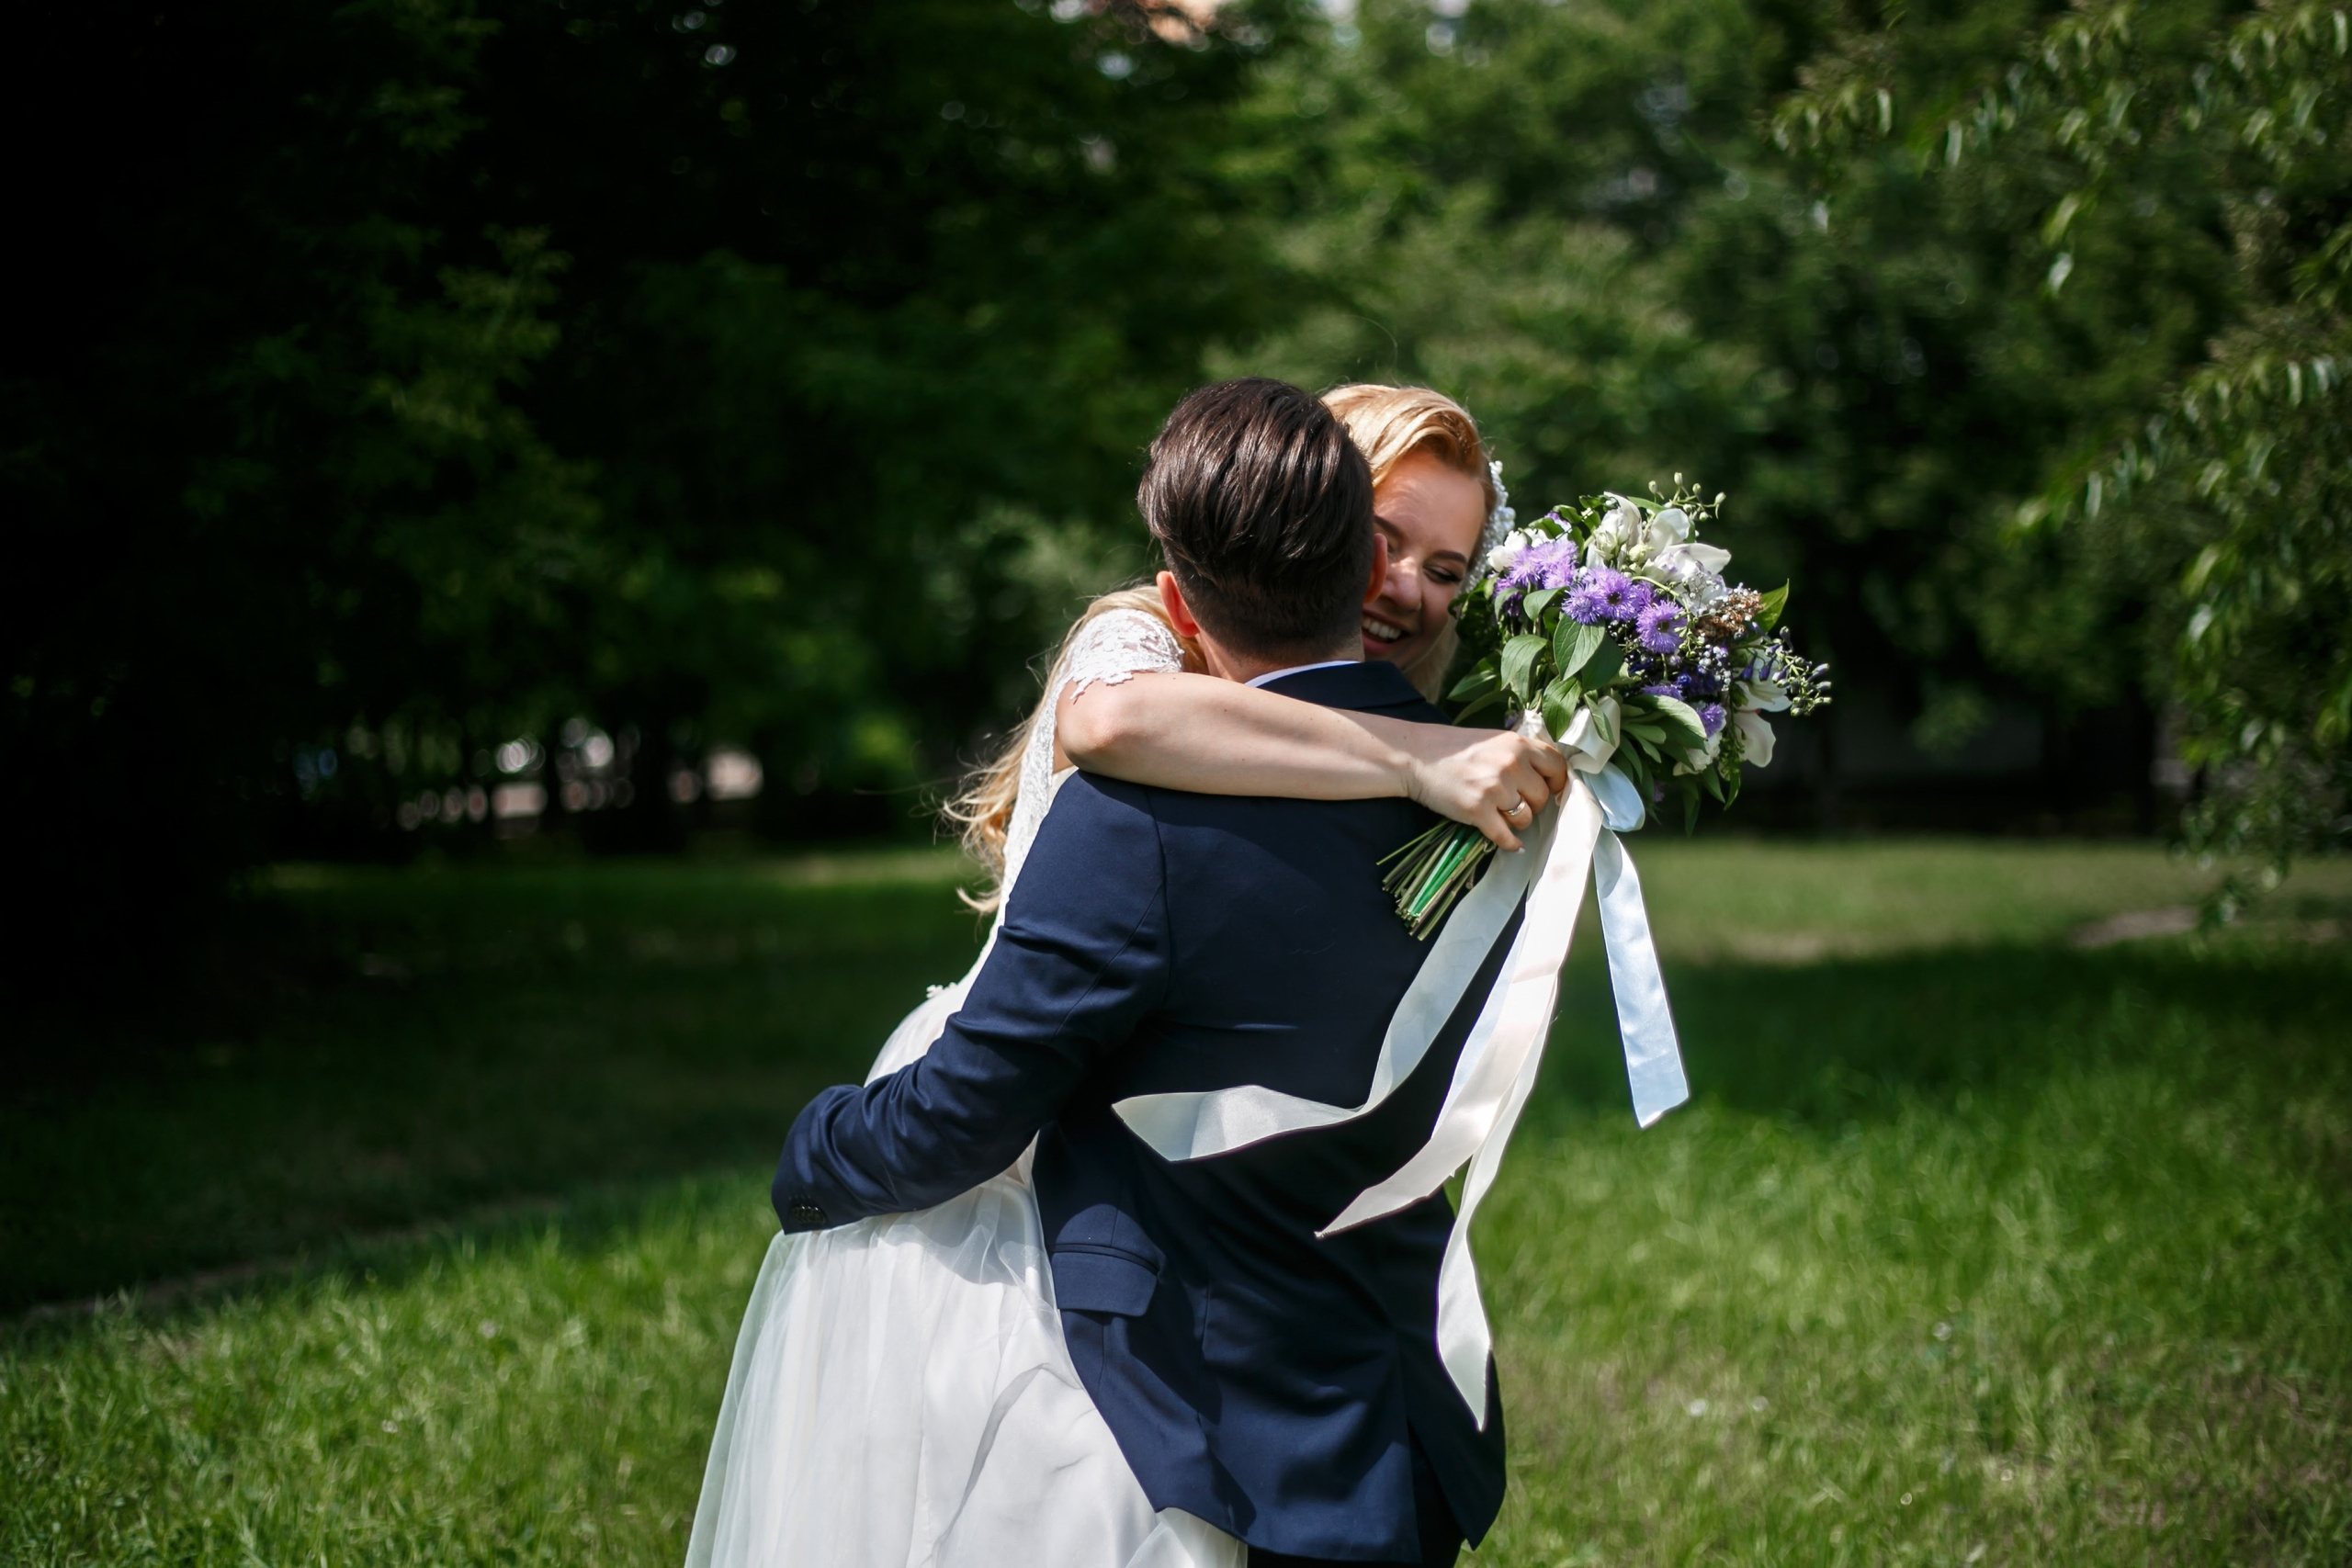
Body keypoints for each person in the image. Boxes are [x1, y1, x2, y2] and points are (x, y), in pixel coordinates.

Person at [685, 382, 1555, 1568]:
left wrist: (815, 1151)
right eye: (1387, 544)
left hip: (1166, 1301)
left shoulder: (1386, 784)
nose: (1405, 589)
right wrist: (1418, 757)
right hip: (1307, 1356)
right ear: (1333, 531)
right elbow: (1109, 725)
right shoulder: (1448, 787)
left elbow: (967, 1115)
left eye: (1444, 569)